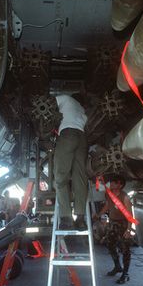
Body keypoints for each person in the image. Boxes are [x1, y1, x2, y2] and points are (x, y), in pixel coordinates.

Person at [54, 93, 88, 229]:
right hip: (82, 138)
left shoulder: (65, 98)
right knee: (79, 178)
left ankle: (66, 218)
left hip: (68, 135)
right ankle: (80, 219)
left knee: (60, 178)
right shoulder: (82, 111)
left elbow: (48, 105)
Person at [96, 175, 132, 284]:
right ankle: (117, 266)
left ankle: (125, 274)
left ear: (120, 184)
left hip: (123, 225)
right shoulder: (109, 194)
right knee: (110, 244)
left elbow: (130, 215)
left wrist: (129, 230)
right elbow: (108, 205)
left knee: (125, 250)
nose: (110, 184)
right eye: (111, 182)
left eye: (113, 182)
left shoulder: (124, 197)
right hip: (112, 223)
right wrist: (99, 214)